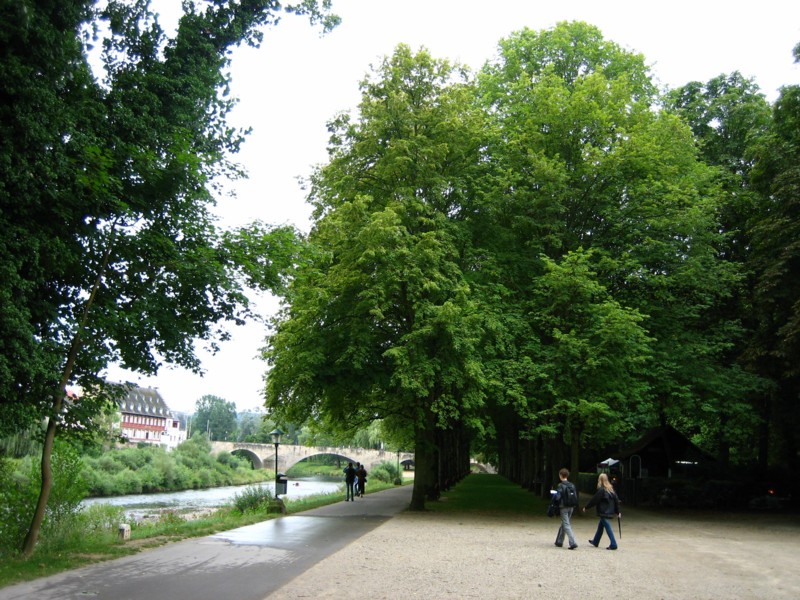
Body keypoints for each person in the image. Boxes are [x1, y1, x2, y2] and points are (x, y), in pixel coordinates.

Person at [582, 472, 621, 550]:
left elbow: (594, 500)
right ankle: (595, 541)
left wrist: (586, 507)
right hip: (609, 511)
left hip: (603, 512)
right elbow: (616, 500)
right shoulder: (611, 489)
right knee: (600, 526)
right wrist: (618, 512)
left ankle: (613, 544)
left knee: (608, 528)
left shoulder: (602, 490)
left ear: (600, 480)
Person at [553, 468, 578, 549]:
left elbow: (558, 497)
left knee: (566, 524)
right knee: (564, 523)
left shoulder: (560, 485)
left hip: (563, 507)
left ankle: (572, 542)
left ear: (560, 475)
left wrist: (554, 495)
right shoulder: (572, 485)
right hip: (571, 506)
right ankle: (559, 541)